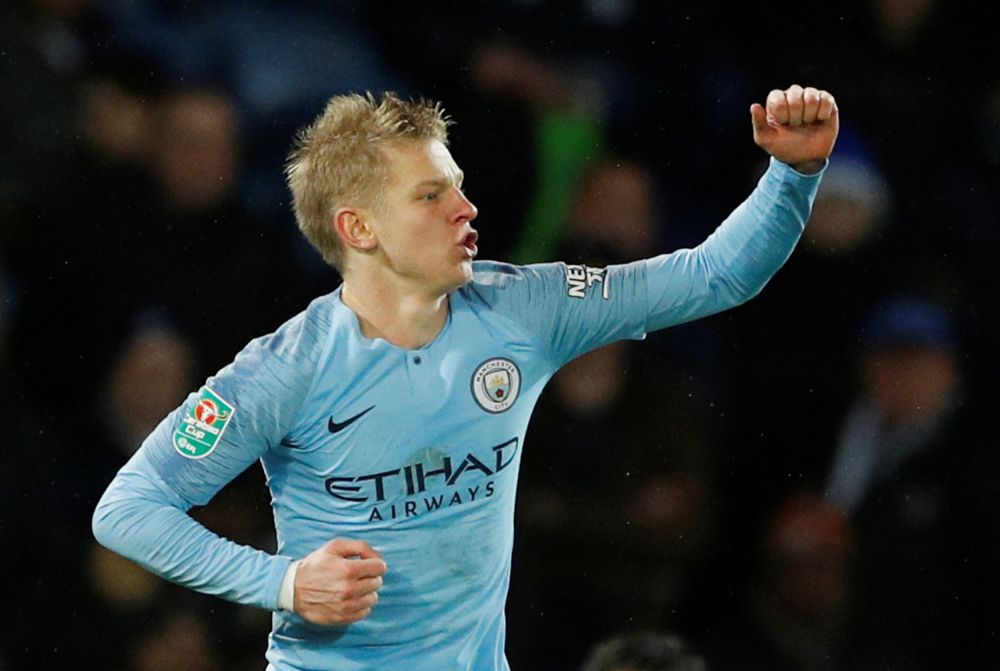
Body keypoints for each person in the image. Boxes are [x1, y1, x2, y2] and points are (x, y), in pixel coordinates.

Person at [93, 84, 838, 669]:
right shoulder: (285, 369)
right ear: (360, 228)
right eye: (431, 195)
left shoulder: (523, 307)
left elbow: (714, 276)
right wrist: (283, 584)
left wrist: (792, 175)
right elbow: (127, 509)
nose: (466, 207)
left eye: (456, 185)